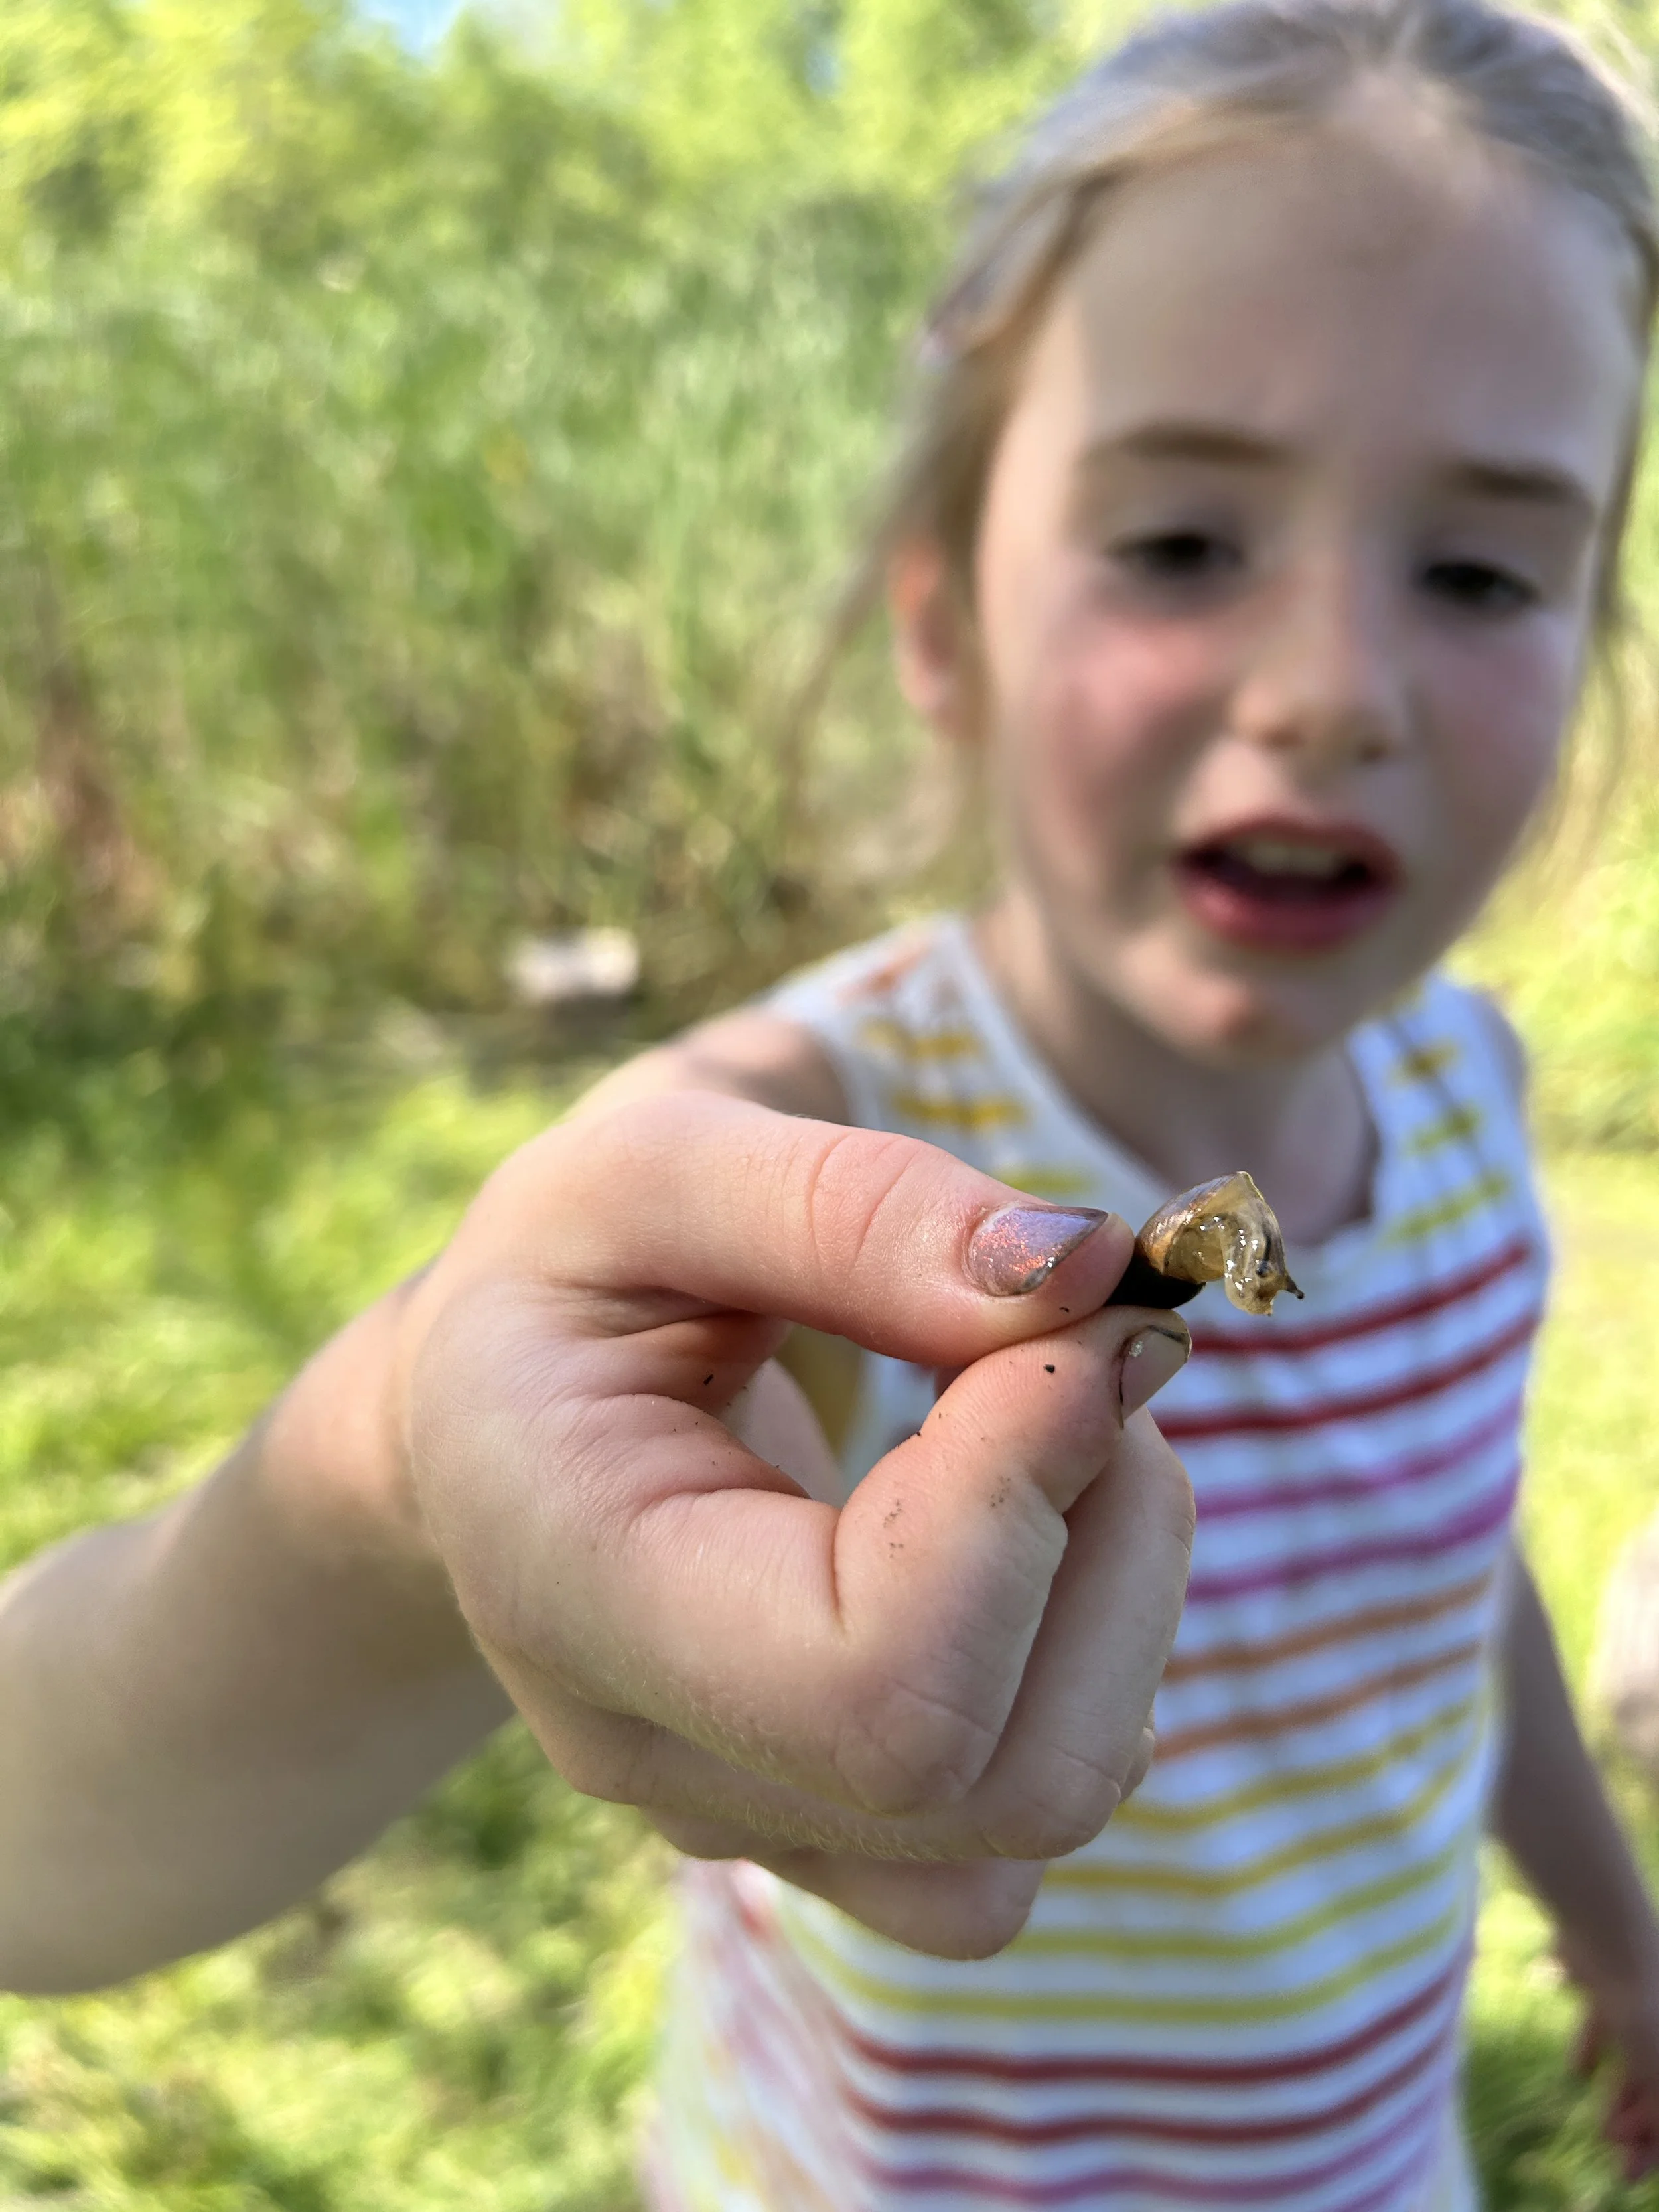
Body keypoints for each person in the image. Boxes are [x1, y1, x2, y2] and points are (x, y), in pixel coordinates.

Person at [3, 0, 1658, 2202]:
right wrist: (411, 1455)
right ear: (941, 616)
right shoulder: (786, 1148)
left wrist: (1607, 1915)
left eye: (1475, 567)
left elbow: (1448, 1579)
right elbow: (45, 1841)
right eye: (1178, 541)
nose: (1329, 688)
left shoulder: (1467, 1095)